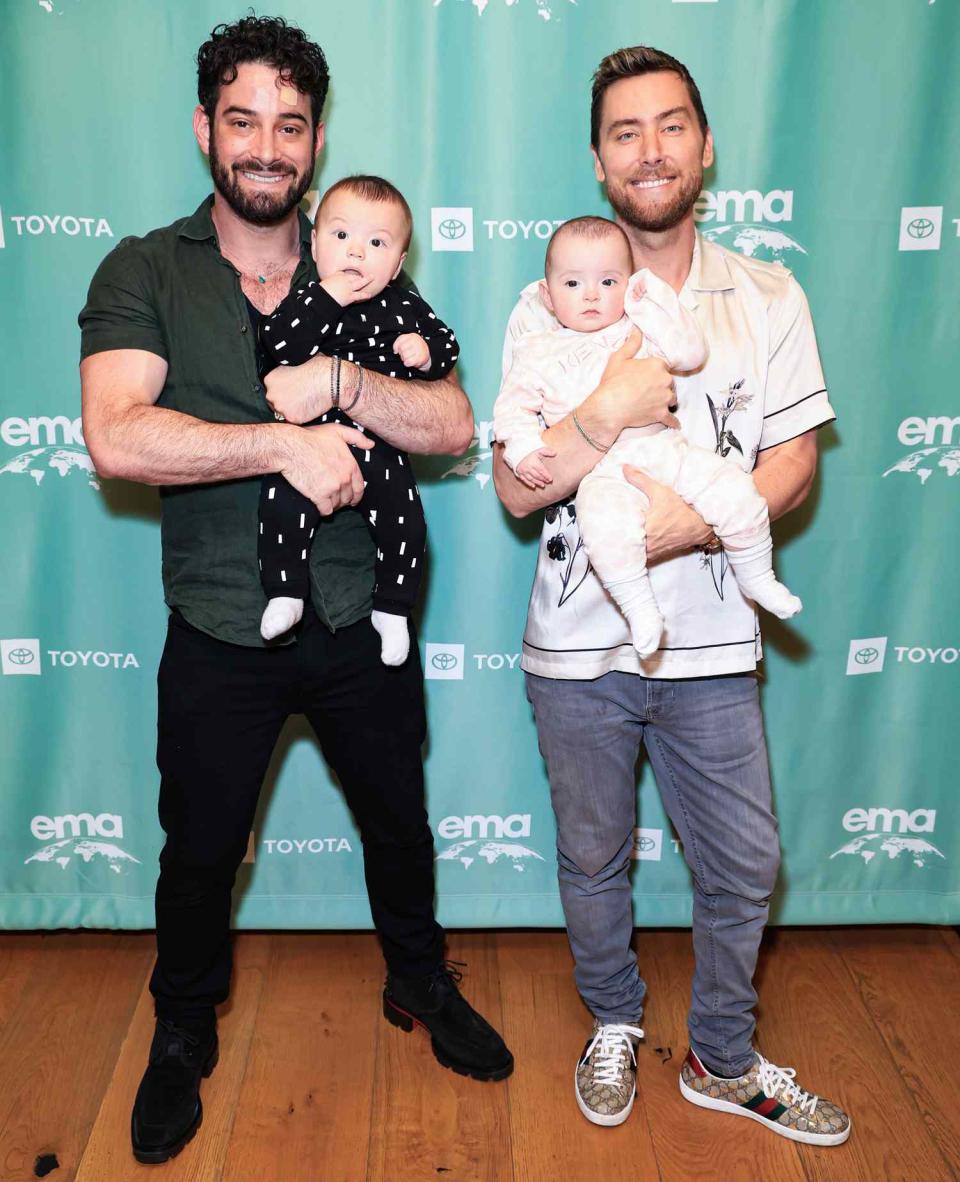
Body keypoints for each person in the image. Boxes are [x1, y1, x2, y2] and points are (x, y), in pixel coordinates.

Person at [79, 15, 511, 1167]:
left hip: (365, 614)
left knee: (397, 825)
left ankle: (420, 985)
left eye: (290, 123)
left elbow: (452, 421)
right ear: (204, 128)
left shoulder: (364, 262)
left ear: (316, 141)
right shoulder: (145, 267)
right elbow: (118, 436)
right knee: (201, 845)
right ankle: (181, 1031)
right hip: (223, 619)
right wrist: (275, 444)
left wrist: (343, 383)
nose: (266, 146)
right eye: (243, 120)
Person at [494, 46, 849, 1144]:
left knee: (745, 862)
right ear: (599, 162)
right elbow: (514, 487)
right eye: (625, 133)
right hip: (577, 648)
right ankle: (612, 1020)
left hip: (711, 644)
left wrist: (683, 525)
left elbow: (794, 461)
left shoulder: (766, 294)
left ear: (705, 145)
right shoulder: (543, 302)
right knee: (593, 857)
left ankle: (723, 1058)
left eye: (671, 126)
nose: (650, 150)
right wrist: (602, 412)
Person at [493, 215, 800, 659]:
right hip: (602, 474)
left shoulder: (638, 326)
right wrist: (523, 448)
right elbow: (512, 409)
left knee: (735, 490)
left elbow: (690, 352)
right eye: (573, 284)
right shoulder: (537, 349)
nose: (592, 295)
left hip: (667, 450)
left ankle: (758, 578)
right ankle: (640, 611)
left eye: (609, 281)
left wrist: (653, 300)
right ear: (547, 295)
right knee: (605, 532)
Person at [258, 173, 459, 663]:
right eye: (341, 236)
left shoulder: (405, 303)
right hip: (309, 441)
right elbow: (280, 346)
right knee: (281, 505)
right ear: (315, 245)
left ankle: (392, 610)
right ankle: (286, 593)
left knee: (407, 524)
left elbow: (449, 345)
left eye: (376, 243)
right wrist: (330, 298)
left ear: (397, 264)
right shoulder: (306, 299)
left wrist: (426, 352)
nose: (356, 253)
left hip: (381, 447)